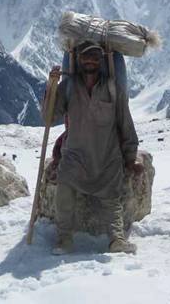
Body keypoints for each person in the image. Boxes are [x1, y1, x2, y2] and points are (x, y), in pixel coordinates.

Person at [49, 42, 143, 255]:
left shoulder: (112, 88)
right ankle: (64, 239)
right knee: (64, 189)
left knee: (112, 199)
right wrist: (52, 88)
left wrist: (130, 158)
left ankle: (117, 240)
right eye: (86, 57)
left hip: (106, 156)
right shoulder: (69, 86)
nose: (90, 60)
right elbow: (49, 117)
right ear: (79, 60)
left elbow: (125, 123)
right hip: (74, 156)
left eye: (94, 57)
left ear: (100, 61)